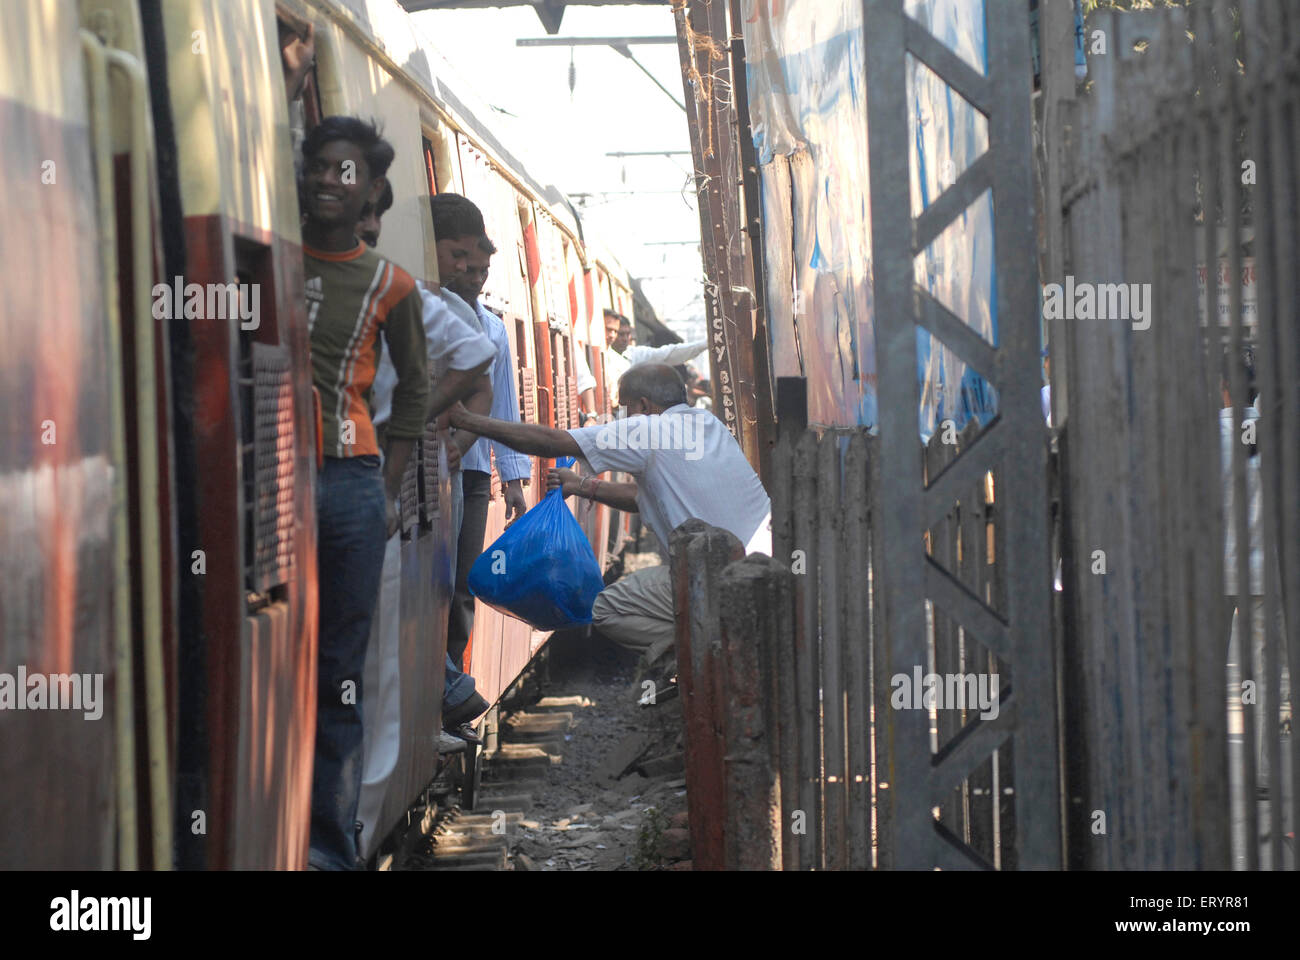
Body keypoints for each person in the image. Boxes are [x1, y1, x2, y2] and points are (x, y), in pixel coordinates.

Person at [449, 363, 771, 670]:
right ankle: (709, 642)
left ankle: (701, 648)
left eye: (623, 408)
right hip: (764, 567)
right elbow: (640, 497)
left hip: (715, 575)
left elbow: (552, 441)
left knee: (606, 609)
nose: (620, 417)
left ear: (643, 405)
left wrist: (470, 420)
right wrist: (583, 486)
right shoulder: (708, 424)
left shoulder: (647, 429)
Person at [302, 116, 429, 871]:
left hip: (349, 483)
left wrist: (386, 488)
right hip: (276, 476)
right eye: (318, 166)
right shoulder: (273, 255)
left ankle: (330, 844)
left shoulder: (393, 286)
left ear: (371, 190)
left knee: (340, 670)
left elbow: (415, 390)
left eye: (344, 172)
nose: (327, 180)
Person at [370, 192, 498, 741]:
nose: (466, 268)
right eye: (457, 255)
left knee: (440, 594)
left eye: (474, 260)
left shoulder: (443, 307)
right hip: (383, 476)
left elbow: (480, 377)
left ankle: (443, 694)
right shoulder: (410, 293)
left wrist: (459, 438)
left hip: (422, 478)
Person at [443, 234, 532, 673]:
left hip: (476, 473)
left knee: (462, 583)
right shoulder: (430, 312)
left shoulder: (493, 328)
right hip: (434, 466)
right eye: (468, 268)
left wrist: (513, 480)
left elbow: (503, 407)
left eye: (483, 273)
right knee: (435, 584)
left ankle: (454, 683)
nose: (475, 280)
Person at [1219, 346, 1289, 794]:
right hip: (1266, 573)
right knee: (1263, 674)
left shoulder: (1211, 434)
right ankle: (1262, 775)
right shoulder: (1273, 435)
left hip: (1215, 572)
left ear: (1222, 389)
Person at [600, 310, 707, 407]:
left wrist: (704, 344)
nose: (625, 339)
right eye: (621, 334)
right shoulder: (603, 354)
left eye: (627, 334)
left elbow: (669, 353)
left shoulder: (635, 354)